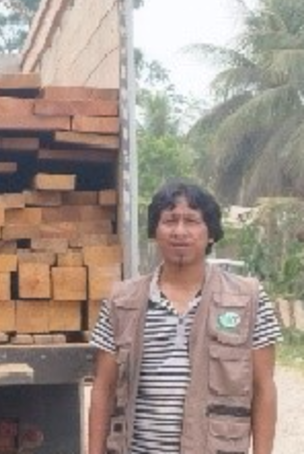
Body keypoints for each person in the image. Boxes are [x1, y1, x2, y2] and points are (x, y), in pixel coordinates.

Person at [88, 180, 281, 454]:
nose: (179, 231)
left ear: (211, 233)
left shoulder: (248, 299)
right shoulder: (122, 301)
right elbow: (103, 388)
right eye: (169, 221)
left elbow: (263, 389)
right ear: (155, 232)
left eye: (191, 221)